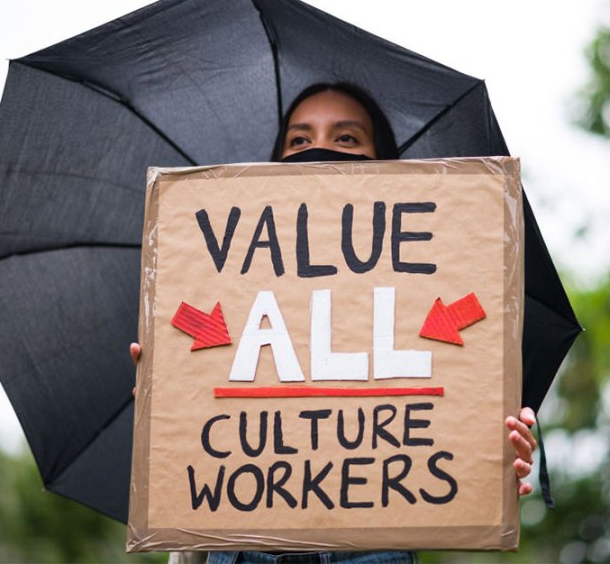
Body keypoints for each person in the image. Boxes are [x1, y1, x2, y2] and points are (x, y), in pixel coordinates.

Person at [130, 82, 537, 564]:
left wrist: (490, 456)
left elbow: (456, 431)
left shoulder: (438, 281)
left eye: (346, 138)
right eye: (299, 141)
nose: (319, 150)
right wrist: (173, 414)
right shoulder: (220, 288)